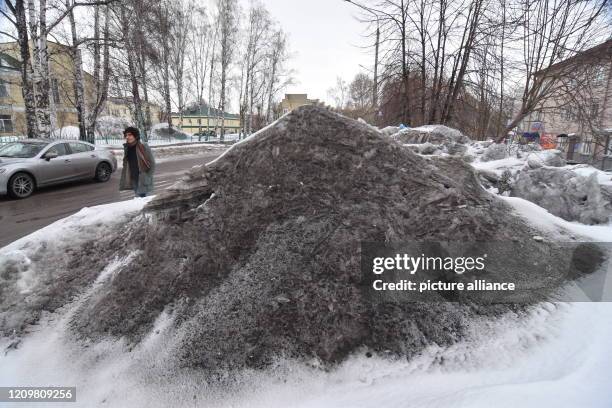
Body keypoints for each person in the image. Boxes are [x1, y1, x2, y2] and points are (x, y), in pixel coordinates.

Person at [119, 127, 155, 197]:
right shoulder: (127, 148)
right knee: (138, 199)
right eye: (126, 135)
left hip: (143, 179)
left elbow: (152, 164)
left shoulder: (143, 146)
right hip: (134, 179)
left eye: (130, 135)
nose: (127, 137)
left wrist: (148, 177)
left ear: (135, 136)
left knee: (144, 200)